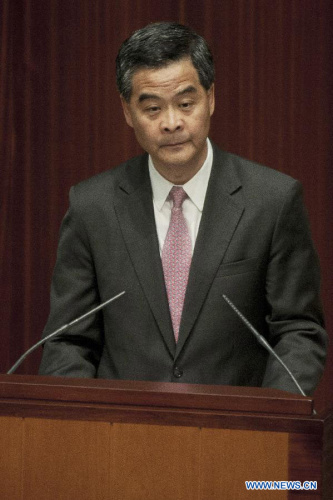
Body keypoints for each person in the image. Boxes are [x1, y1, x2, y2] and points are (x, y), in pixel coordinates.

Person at [39, 22, 327, 395]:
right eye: (153, 108)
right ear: (127, 112)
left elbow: (298, 332)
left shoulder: (271, 201)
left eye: (186, 103)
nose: (172, 122)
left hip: (238, 438)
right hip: (121, 438)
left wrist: (266, 422)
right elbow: (67, 342)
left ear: (211, 98)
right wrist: (90, 428)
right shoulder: (92, 207)